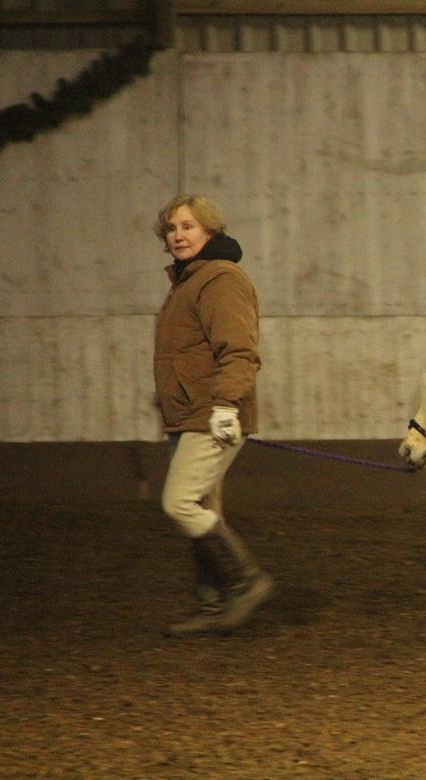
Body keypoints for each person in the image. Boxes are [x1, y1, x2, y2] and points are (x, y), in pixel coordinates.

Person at [152, 194, 272, 637]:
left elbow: (239, 350)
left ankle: (247, 582)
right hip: (189, 415)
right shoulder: (188, 281)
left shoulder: (220, 279)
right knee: (202, 509)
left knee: (179, 503)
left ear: (209, 230)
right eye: (171, 228)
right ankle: (214, 605)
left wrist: (224, 405)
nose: (178, 235)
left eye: (188, 226)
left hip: (211, 415)